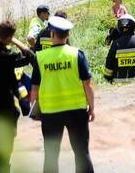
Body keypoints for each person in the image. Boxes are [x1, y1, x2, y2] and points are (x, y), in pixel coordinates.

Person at [29, 16, 95, 173]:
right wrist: (92, 108)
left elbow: (34, 88)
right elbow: (88, 84)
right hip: (76, 111)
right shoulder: (77, 54)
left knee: (51, 156)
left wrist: (34, 110)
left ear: (52, 34)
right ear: (68, 35)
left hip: (50, 113)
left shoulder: (41, 57)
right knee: (82, 153)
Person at [0, 20, 35, 173]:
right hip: (4, 109)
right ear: (9, 36)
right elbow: (30, 56)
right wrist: (15, 41)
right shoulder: (7, 56)